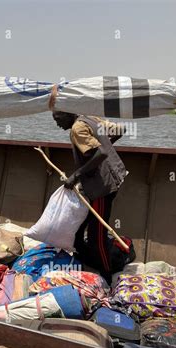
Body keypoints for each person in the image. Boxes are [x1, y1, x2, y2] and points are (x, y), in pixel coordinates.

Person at [52, 111, 127, 283]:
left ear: (68, 114)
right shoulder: (89, 119)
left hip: (102, 186)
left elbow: (100, 154)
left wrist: (76, 175)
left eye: (58, 119)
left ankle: (106, 275)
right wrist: (106, 145)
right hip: (115, 177)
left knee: (97, 235)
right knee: (79, 230)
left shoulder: (77, 129)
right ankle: (86, 260)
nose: (57, 124)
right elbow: (120, 129)